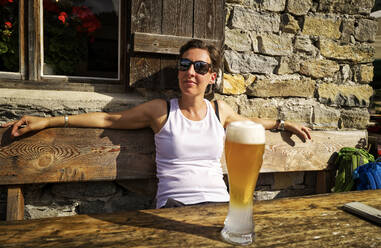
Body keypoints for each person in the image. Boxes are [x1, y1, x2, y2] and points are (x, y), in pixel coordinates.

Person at [1, 39, 311, 208]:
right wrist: (49, 121)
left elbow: (251, 124)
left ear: (212, 77)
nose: (191, 72)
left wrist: (284, 124)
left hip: (219, 205)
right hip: (175, 206)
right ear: (178, 71)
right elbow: (109, 119)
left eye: (200, 67)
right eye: (185, 65)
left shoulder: (221, 111)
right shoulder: (161, 111)